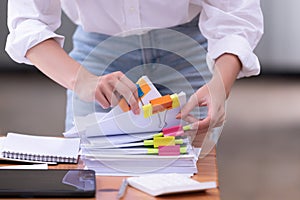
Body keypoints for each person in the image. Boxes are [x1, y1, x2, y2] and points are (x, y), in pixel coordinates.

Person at [5, 1, 263, 149]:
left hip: (186, 49)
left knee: (187, 177)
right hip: (97, 57)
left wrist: (220, 84)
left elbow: (236, 13)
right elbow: (28, 22)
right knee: (92, 174)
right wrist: (81, 80)